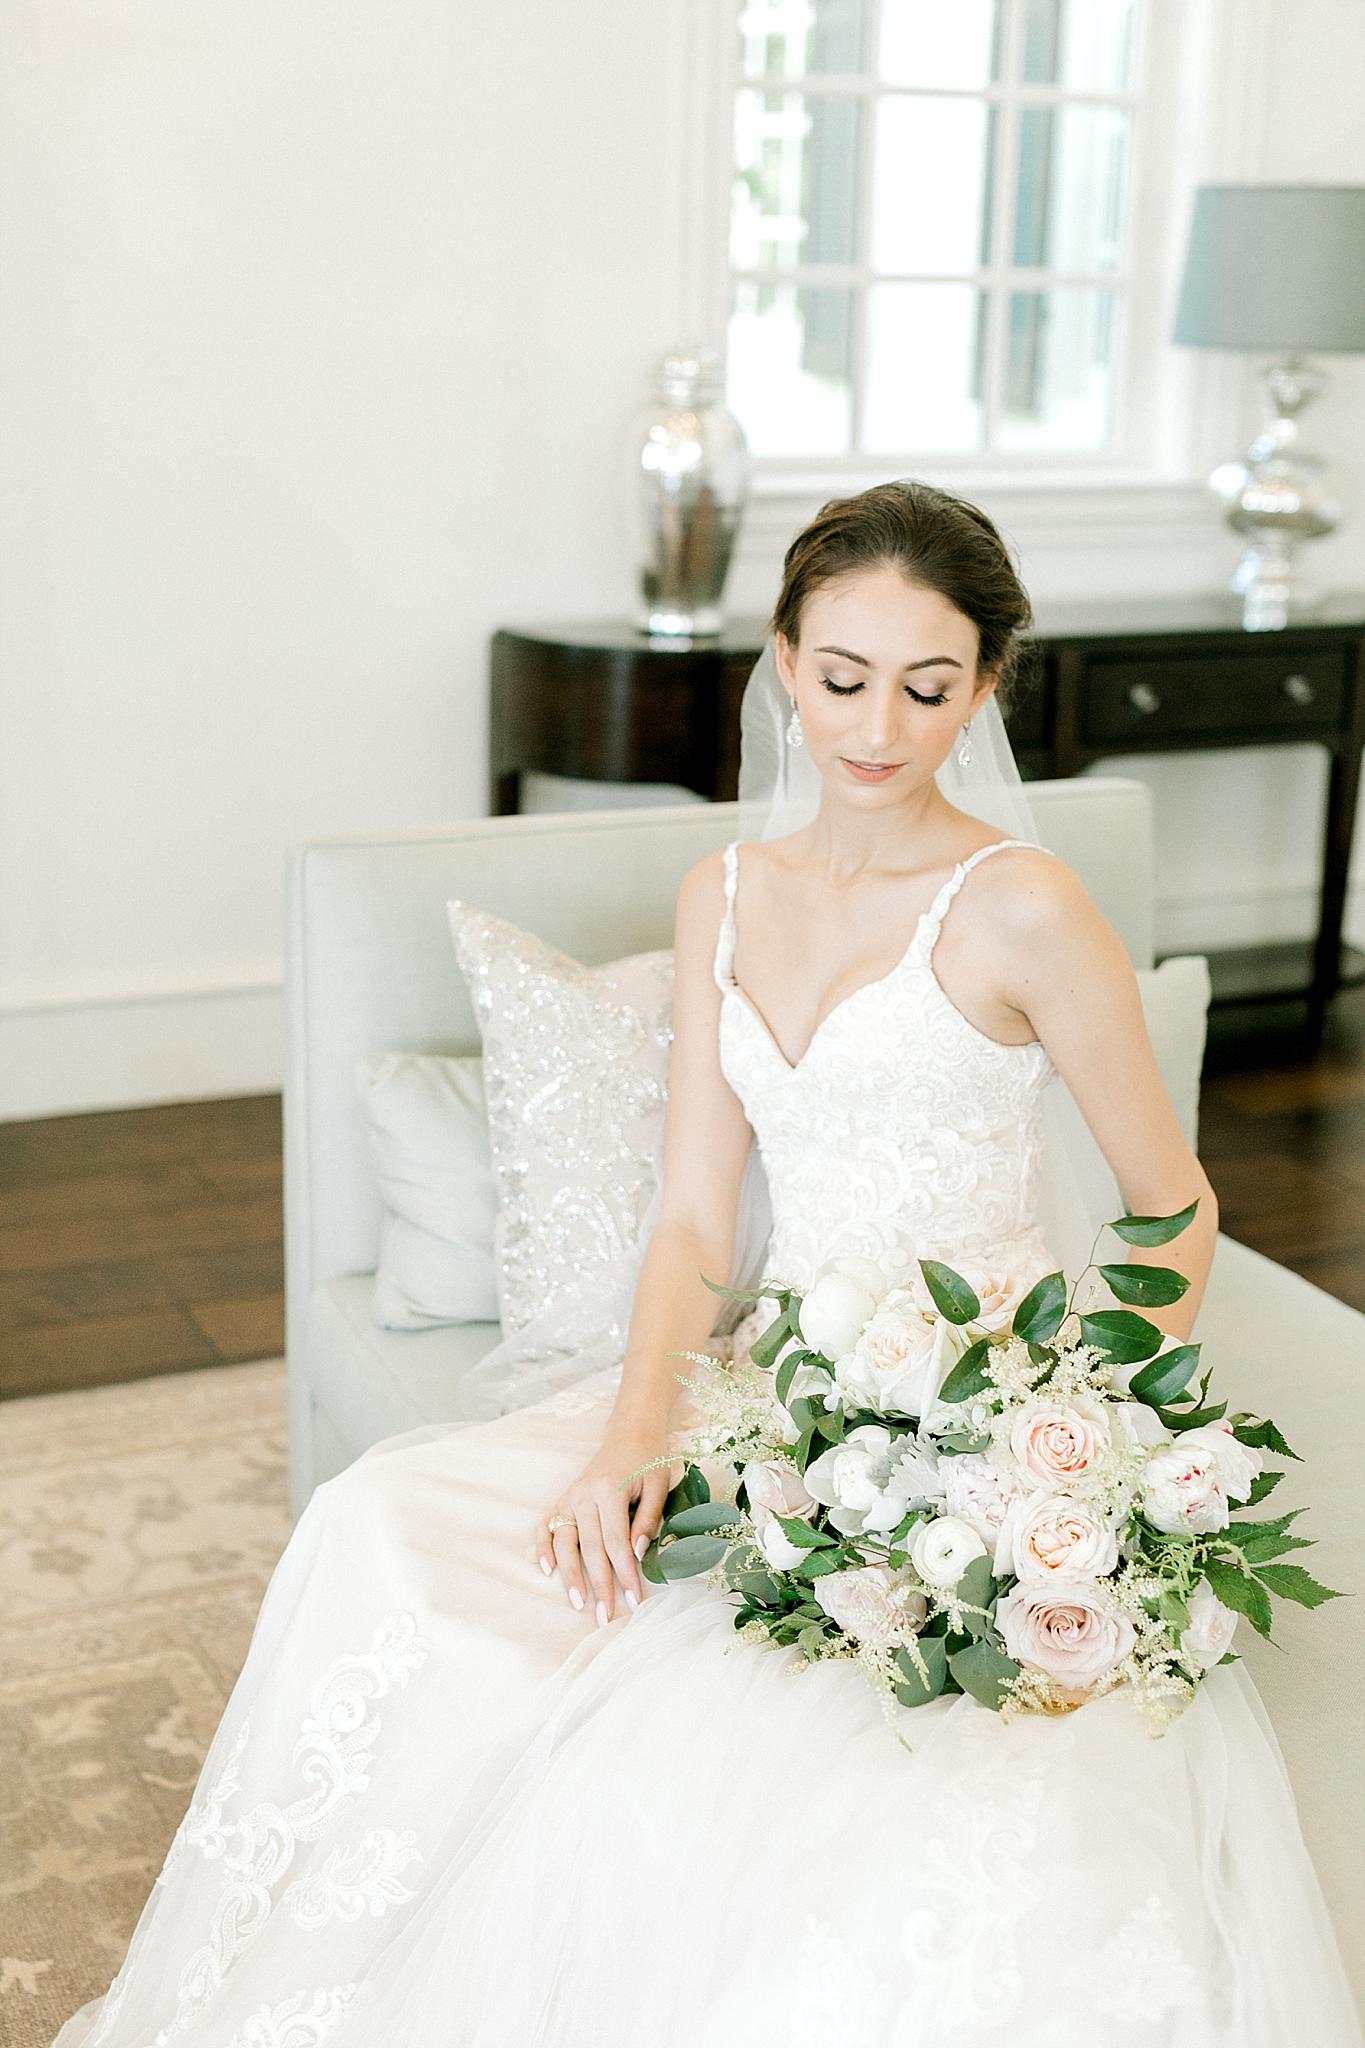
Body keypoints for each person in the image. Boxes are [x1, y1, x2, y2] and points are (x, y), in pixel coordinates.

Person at [52, 481, 1360, 2048]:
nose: (878, 726)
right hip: (774, 1384)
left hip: (984, 1412)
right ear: (784, 666)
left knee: (786, 1752)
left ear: (986, 689)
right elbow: (690, 1218)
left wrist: (1065, 1458)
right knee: (380, 1524)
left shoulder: (1019, 905)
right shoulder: (721, 897)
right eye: (842, 676)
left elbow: (1168, 1207)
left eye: (929, 688)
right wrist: (630, 1440)